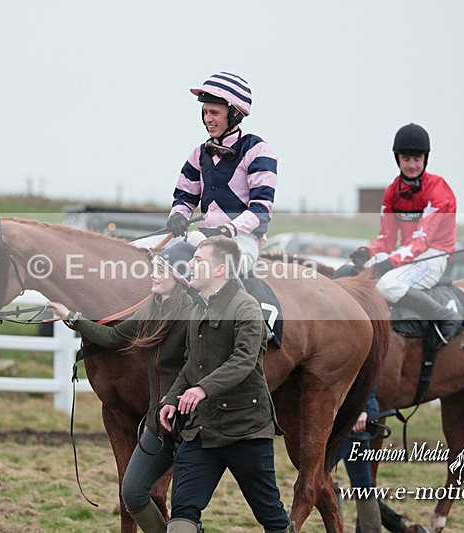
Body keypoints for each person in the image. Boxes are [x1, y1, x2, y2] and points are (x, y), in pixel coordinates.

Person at [48, 243, 195, 533]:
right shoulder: (152, 308)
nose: (153, 275)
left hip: (189, 424)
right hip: (160, 423)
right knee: (132, 493)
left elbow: (198, 365)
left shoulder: (193, 315)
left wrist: (179, 396)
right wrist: (72, 317)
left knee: (187, 509)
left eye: (160, 270)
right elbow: (113, 337)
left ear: (178, 278)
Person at [158, 236, 294, 533]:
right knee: (181, 519)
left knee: (272, 518)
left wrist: (202, 388)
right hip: (201, 430)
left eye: (198, 261)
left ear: (220, 269)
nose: (190, 265)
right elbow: (190, 364)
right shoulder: (197, 309)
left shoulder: (247, 308)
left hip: (246, 429)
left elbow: (244, 360)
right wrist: (171, 398)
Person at [344, 123, 463, 343]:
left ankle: (447, 316)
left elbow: (422, 240)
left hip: (433, 255)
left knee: (387, 285)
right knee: (355, 272)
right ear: (397, 159)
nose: (412, 165)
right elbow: (386, 239)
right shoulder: (392, 191)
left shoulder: (438, 190)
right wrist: (367, 253)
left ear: (425, 159)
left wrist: (389, 264)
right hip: (406, 253)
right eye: (406, 159)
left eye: (417, 159)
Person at [165, 71, 278, 275]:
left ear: (235, 114)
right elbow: (184, 198)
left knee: (209, 270)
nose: (208, 119)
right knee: (155, 259)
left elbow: (261, 209)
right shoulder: (199, 153)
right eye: (205, 112)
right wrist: (178, 216)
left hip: (241, 241)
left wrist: (228, 230)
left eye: (215, 113)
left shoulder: (259, 150)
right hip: (204, 238)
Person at [333, 389, 383, 533]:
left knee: (320, 475)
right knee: (362, 483)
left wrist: (363, 409)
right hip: (343, 413)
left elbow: (365, 377)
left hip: (355, 415)